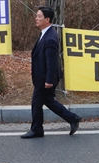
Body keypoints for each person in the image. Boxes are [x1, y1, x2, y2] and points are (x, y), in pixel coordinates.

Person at [21, 7, 81, 139]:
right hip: (41, 75)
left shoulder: (51, 38)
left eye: (39, 16)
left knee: (37, 102)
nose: (36, 18)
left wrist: (49, 80)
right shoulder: (44, 33)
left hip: (45, 78)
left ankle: (37, 129)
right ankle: (73, 118)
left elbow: (52, 62)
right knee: (48, 101)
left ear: (47, 19)